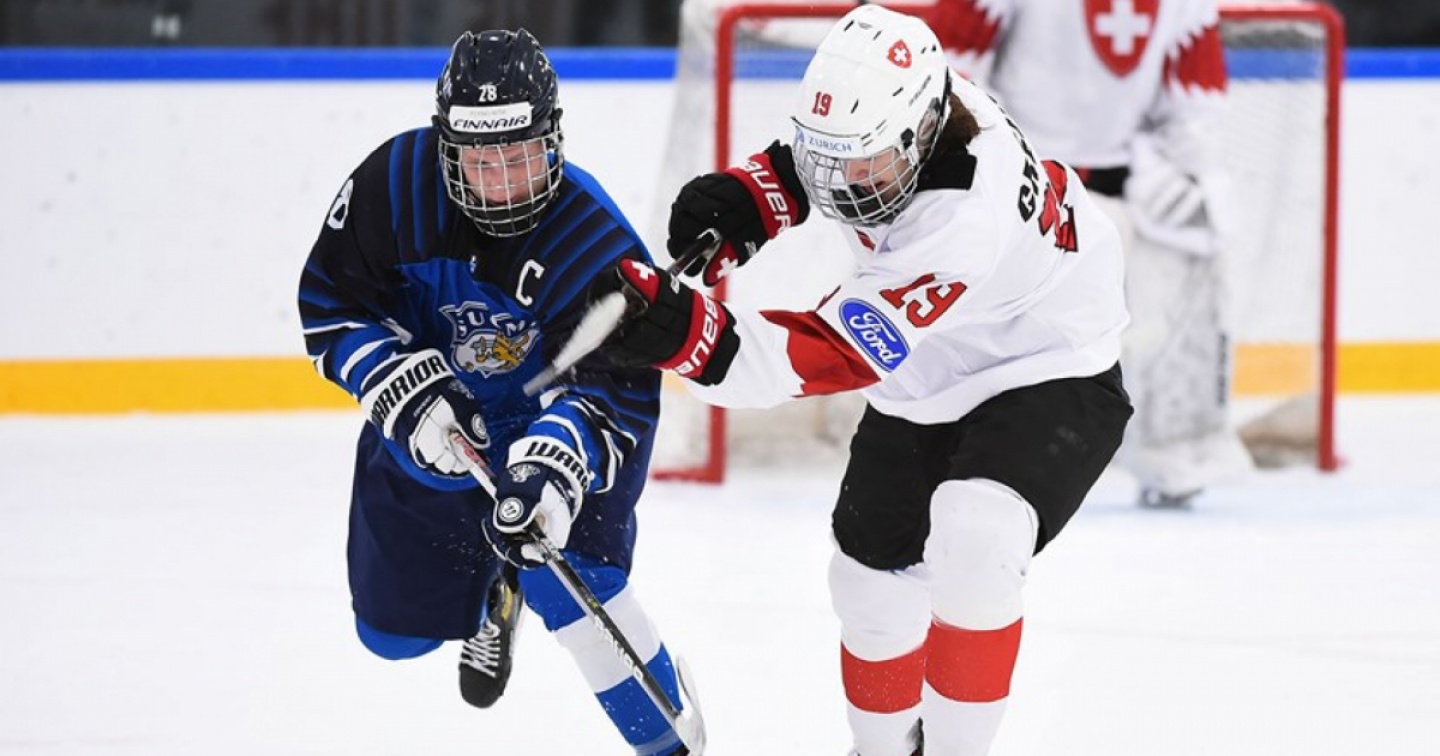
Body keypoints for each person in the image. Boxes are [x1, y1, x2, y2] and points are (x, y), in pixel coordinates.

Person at [591, 6, 1132, 755]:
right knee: (866, 581)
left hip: (1048, 359)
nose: (841, 183)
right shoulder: (906, 114)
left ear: (920, 135)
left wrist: (689, 336)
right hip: (933, 360)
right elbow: (828, 155)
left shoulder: (963, 217)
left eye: (863, 163)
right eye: (829, 159)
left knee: (977, 538)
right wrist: (755, 196)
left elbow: (829, 352)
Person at [297, 29, 693, 756]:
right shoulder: (394, 187)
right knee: (392, 636)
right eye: (481, 161)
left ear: (553, 140)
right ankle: (490, 592)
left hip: (554, 419)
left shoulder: (593, 241)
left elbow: (621, 393)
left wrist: (557, 461)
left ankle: (664, 743)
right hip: (439, 412)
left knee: (572, 585)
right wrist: (397, 384)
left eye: (520, 156)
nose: (503, 183)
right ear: (447, 148)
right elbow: (332, 301)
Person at [935, 0, 1253, 507]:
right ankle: (955, 449)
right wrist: (991, 158)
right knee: (991, 328)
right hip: (1021, 188)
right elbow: (946, 70)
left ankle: (1178, 455)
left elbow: (1197, 102)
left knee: (1192, 259)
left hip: (1127, 192)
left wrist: (1183, 171)